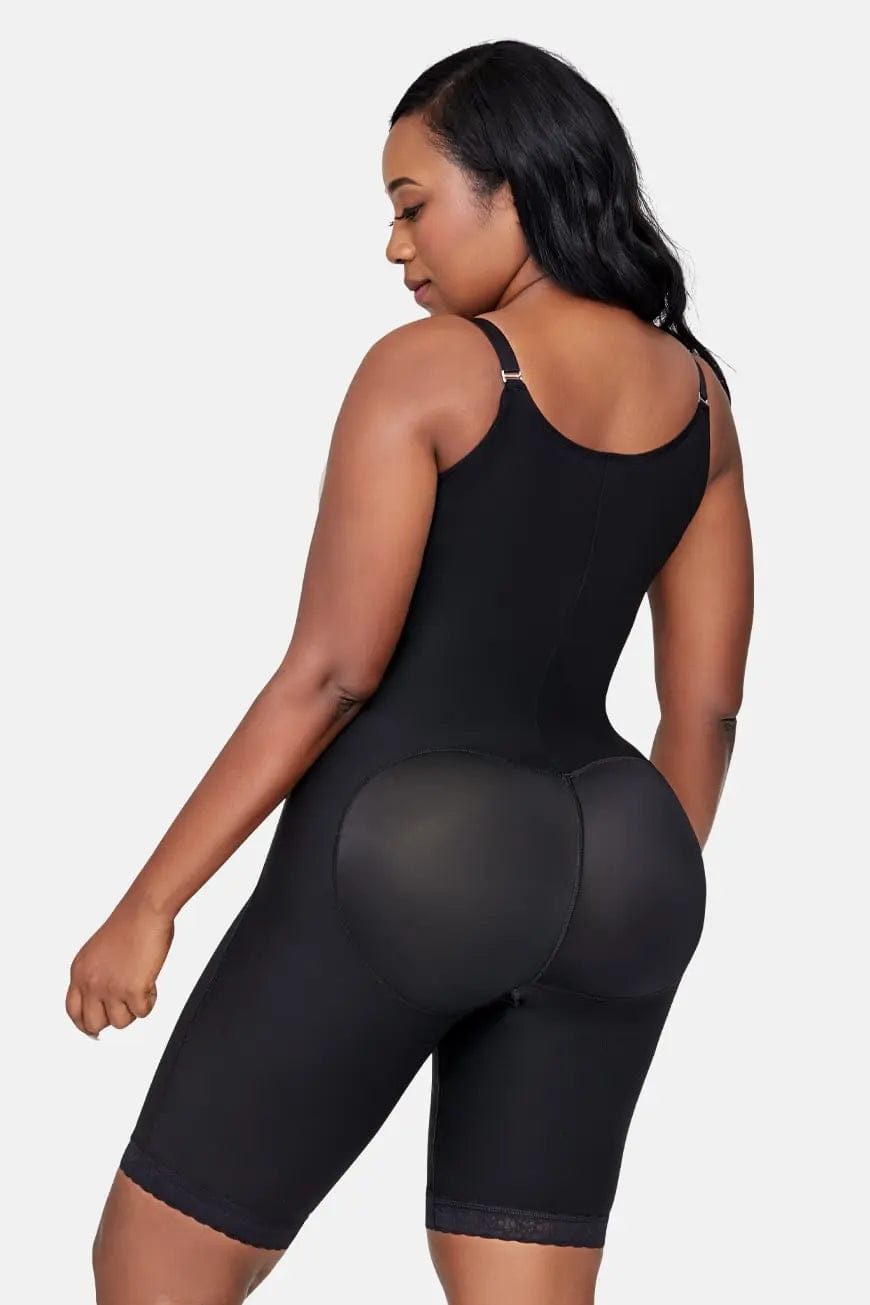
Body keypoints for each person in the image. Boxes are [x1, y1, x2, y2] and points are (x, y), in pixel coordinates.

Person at [70, 38, 753, 1305]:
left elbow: (333, 672)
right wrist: (599, 898)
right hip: (627, 861)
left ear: (517, 191)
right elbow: (706, 709)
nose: (397, 247)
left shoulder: (433, 367)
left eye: (412, 204)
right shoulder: (702, 398)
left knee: (153, 1266)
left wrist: (150, 903)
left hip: (409, 844)